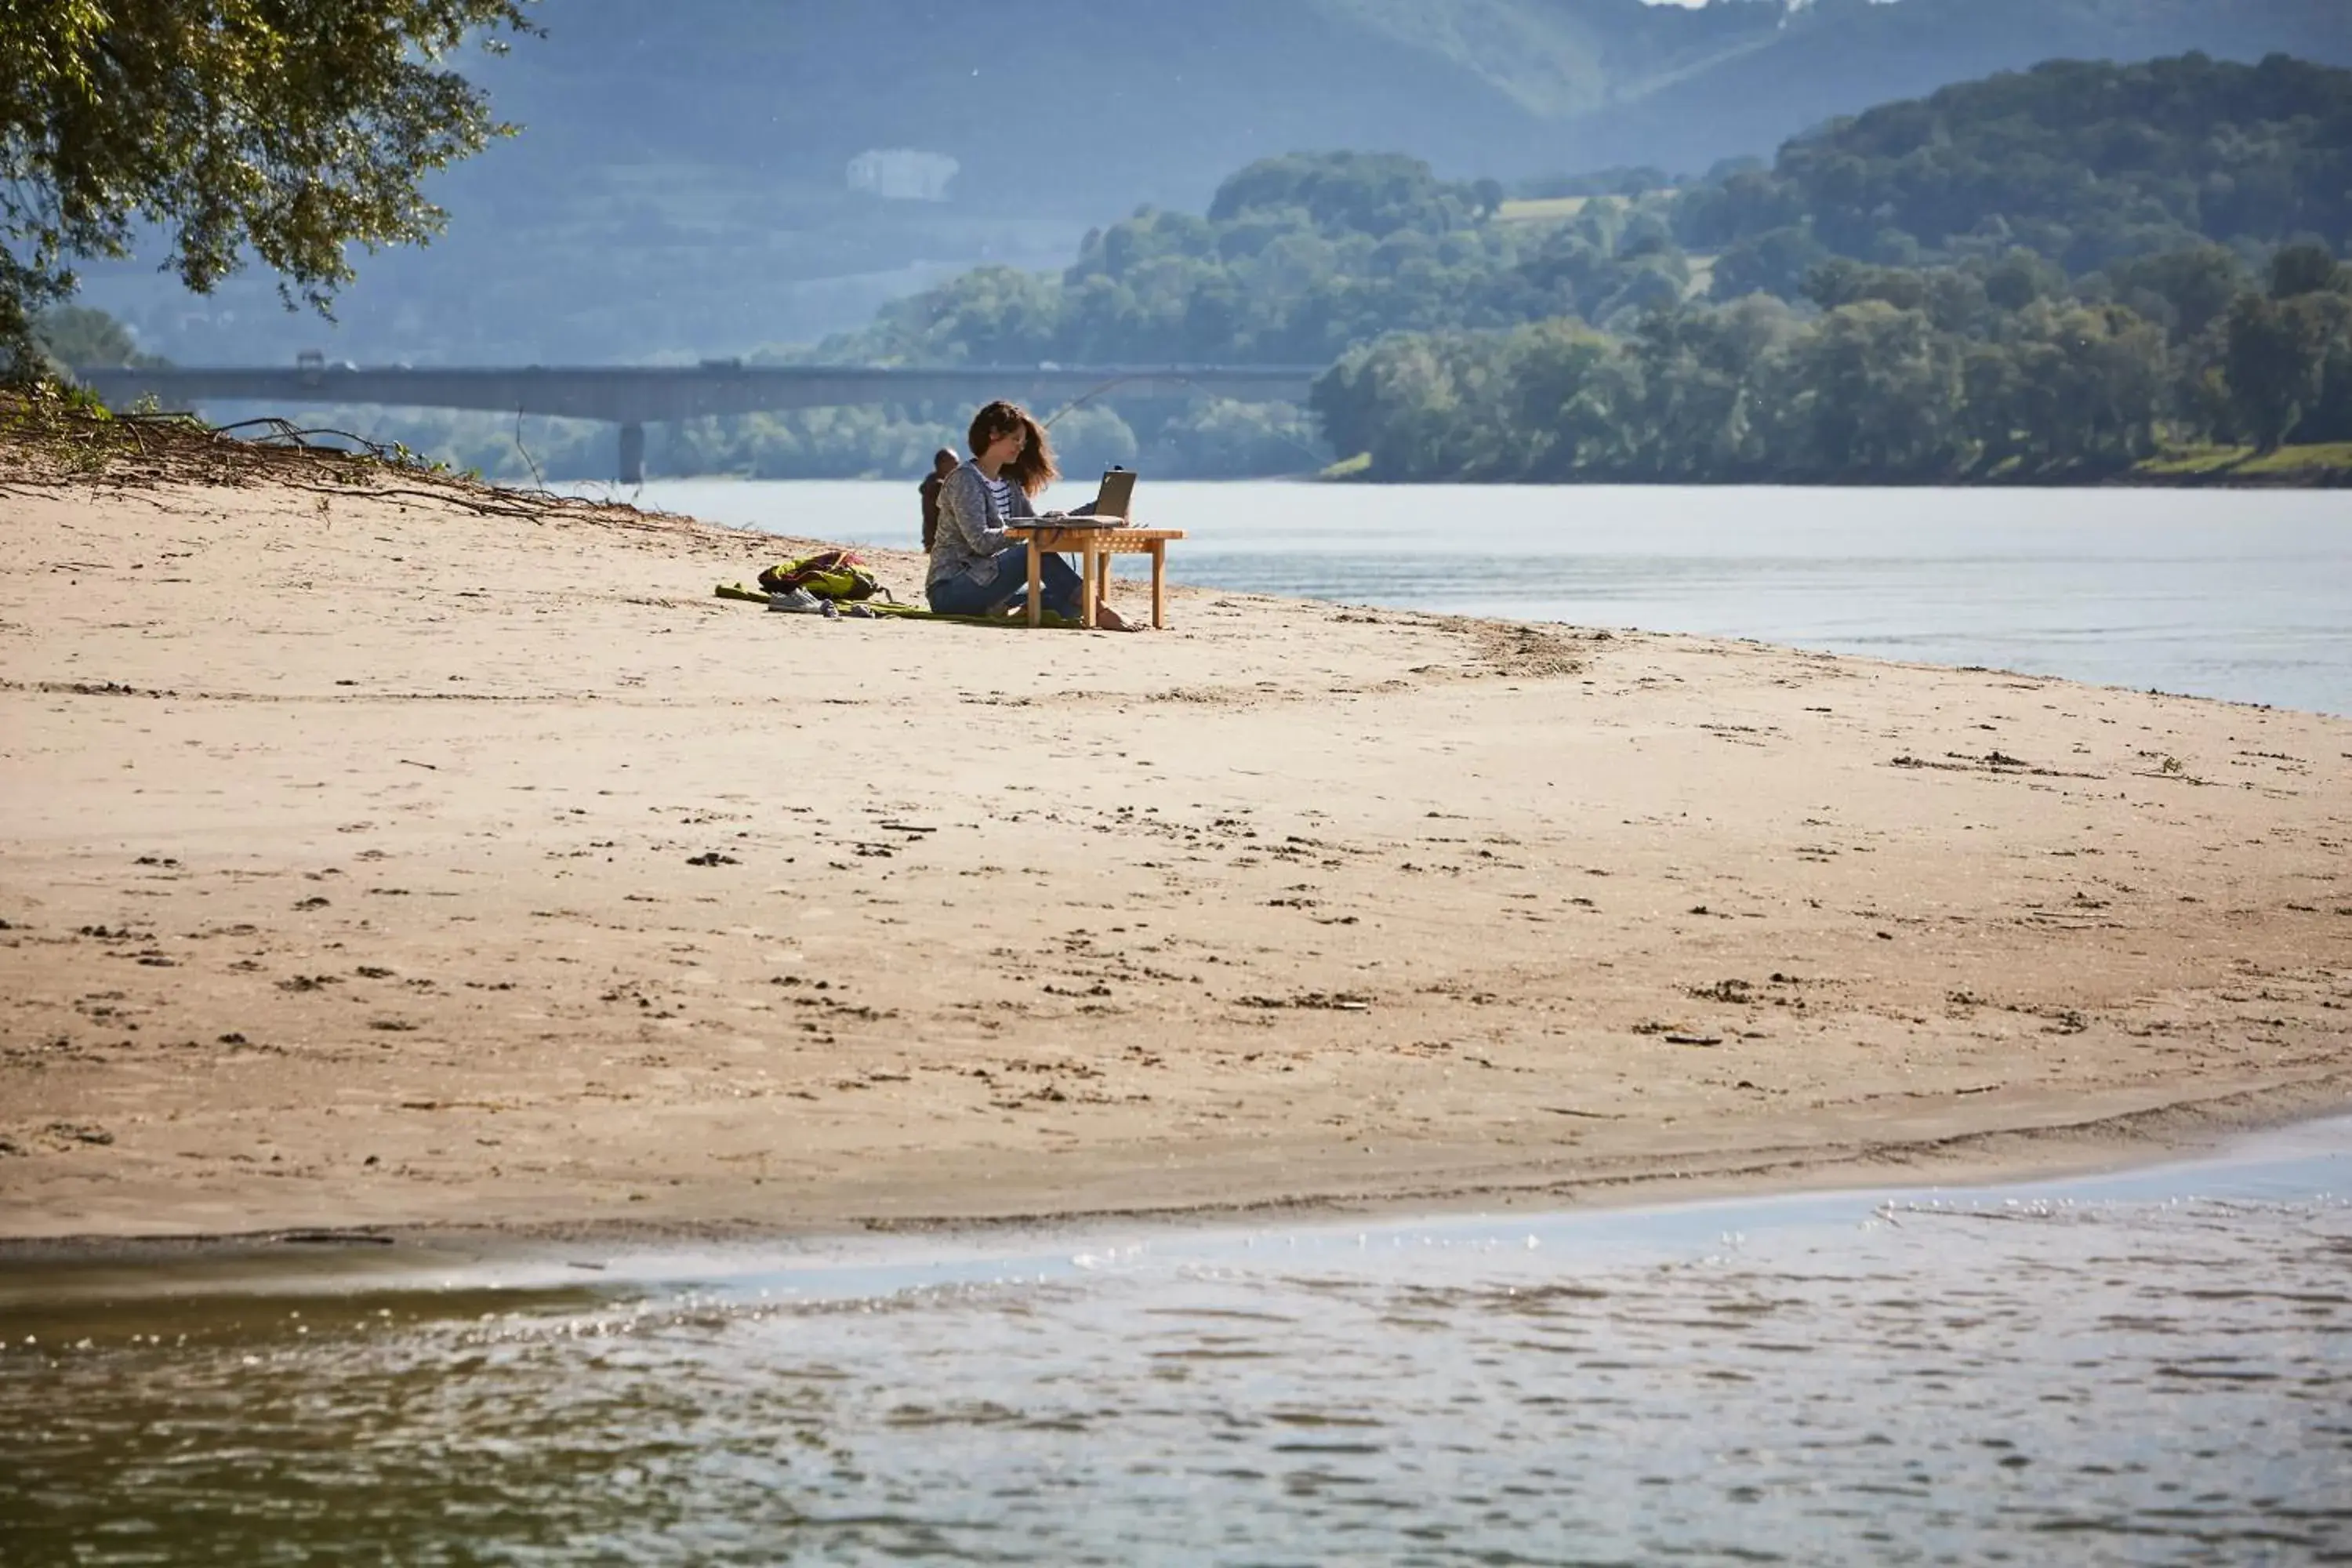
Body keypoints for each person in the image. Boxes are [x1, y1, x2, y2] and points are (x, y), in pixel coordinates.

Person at [927, 400, 1135, 629]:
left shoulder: (1009, 484)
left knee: (1069, 604)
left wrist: (1097, 509)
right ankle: (1100, 610)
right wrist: (1033, 529)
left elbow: (1032, 525)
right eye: (1015, 439)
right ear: (993, 434)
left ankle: (1022, 609)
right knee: (1034, 551)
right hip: (951, 590)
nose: (1020, 446)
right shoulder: (965, 480)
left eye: (1023, 442)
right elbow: (982, 542)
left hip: (988, 583)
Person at [917, 446, 958, 553]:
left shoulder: (935, 482)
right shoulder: (936, 486)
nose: (958, 467)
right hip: (940, 542)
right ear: (943, 464)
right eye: (955, 463)